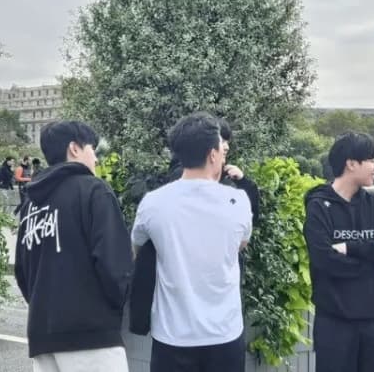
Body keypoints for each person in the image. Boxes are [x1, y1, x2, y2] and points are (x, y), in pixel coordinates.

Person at [130, 112, 252, 372]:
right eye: (222, 147)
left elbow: (138, 248)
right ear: (212, 154)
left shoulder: (153, 203)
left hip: (172, 335)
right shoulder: (238, 201)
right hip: (225, 333)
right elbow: (241, 245)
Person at [15, 120, 133, 372]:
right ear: (74, 149)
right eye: (93, 149)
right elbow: (114, 264)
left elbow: (22, 271)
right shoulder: (93, 191)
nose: (96, 159)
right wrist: (115, 307)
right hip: (91, 334)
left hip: (43, 334)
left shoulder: (31, 204)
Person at [303, 131, 374, 372]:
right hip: (335, 321)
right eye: (371, 160)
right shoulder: (319, 206)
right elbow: (325, 261)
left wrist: (352, 248)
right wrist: (373, 255)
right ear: (351, 163)